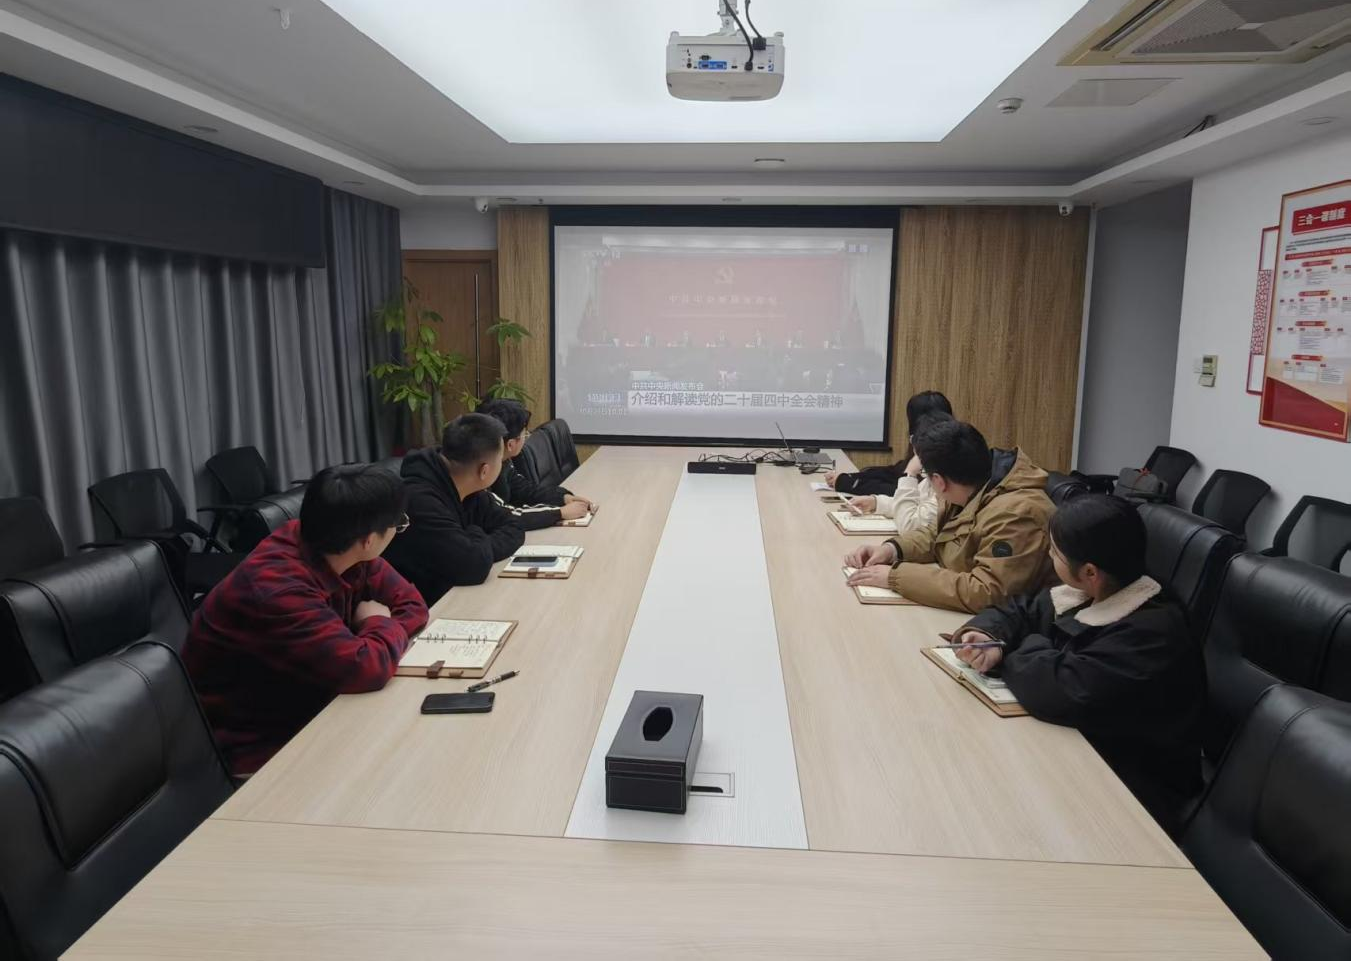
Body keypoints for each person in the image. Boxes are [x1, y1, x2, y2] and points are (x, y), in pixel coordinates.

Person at [950, 495, 1204, 836]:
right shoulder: (1094, 590)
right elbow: (1021, 610)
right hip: (1076, 750)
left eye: (1055, 552)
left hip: (1129, 793)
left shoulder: (1154, 633)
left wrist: (1013, 649)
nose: (1049, 556)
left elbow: (1062, 688)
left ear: (1090, 572)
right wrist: (987, 634)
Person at [182, 465, 428, 777]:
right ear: (369, 540)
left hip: (317, 707)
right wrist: (378, 623)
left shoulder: (339, 545)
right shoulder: (277, 590)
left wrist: (372, 642)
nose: (398, 529)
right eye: (398, 524)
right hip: (260, 752)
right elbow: (365, 669)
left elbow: (413, 605)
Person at [845, 418, 1054, 612]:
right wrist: (892, 550)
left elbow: (986, 592)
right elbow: (938, 535)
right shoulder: (972, 486)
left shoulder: (1016, 515)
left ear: (938, 481)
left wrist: (896, 577)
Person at [383, 413, 526, 602]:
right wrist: (477, 534)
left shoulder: (467, 487)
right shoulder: (420, 501)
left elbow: (514, 525)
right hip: (424, 608)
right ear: (484, 471)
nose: (502, 465)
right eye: (500, 460)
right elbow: (472, 566)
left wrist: (475, 542)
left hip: (451, 595)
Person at [476, 398, 595, 530]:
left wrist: (562, 498)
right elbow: (505, 515)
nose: (527, 437)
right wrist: (560, 513)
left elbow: (524, 489)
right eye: (524, 434)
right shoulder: (478, 473)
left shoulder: (504, 461)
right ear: (510, 444)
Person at [828, 390, 953, 495]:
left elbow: (898, 492)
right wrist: (853, 477)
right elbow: (895, 472)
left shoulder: (939, 455)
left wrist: (849, 483)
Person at [846, 410, 951, 534]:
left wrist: (909, 474)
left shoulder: (945, 484)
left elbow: (908, 527)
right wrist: (876, 502)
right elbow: (913, 505)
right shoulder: (931, 477)